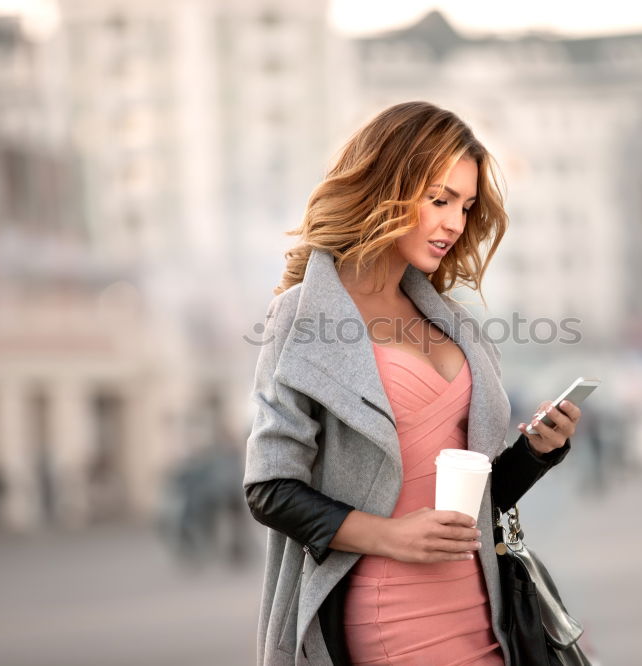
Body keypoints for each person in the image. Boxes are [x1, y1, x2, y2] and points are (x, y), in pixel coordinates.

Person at [243, 101, 582, 666]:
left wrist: (537, 451)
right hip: (390, 612)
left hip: (483, 608)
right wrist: (391, 535)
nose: (454, 223)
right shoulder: (303, 318)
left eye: (466, 206)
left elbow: (475, 503)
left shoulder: (455, 323)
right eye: (439, 199)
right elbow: (270, 487)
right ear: (385, 188)